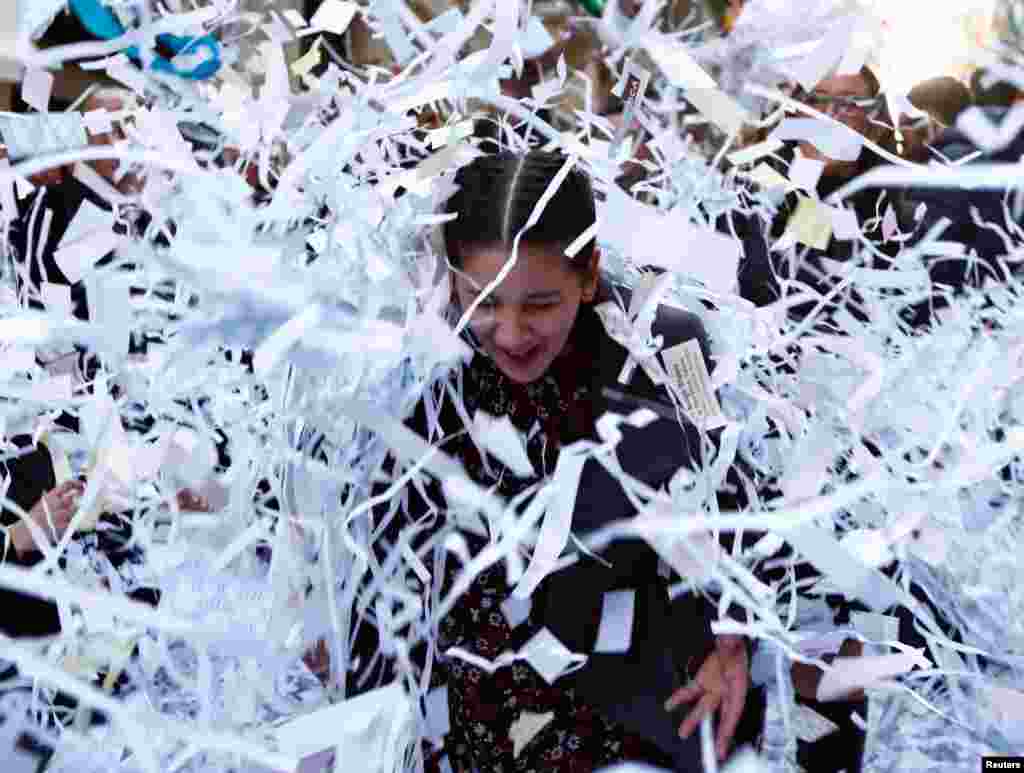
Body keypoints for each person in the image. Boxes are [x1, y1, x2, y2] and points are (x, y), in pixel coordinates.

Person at [351, 151, 760, 773]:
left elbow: (725, 480)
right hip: (479, 686)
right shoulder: (422, 368)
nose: (510, 334)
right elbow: (388, 551)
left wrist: (735, 635)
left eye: (539, 304)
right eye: (482, 301)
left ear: (589, 274)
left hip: (632, 676)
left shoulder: (671, 345)